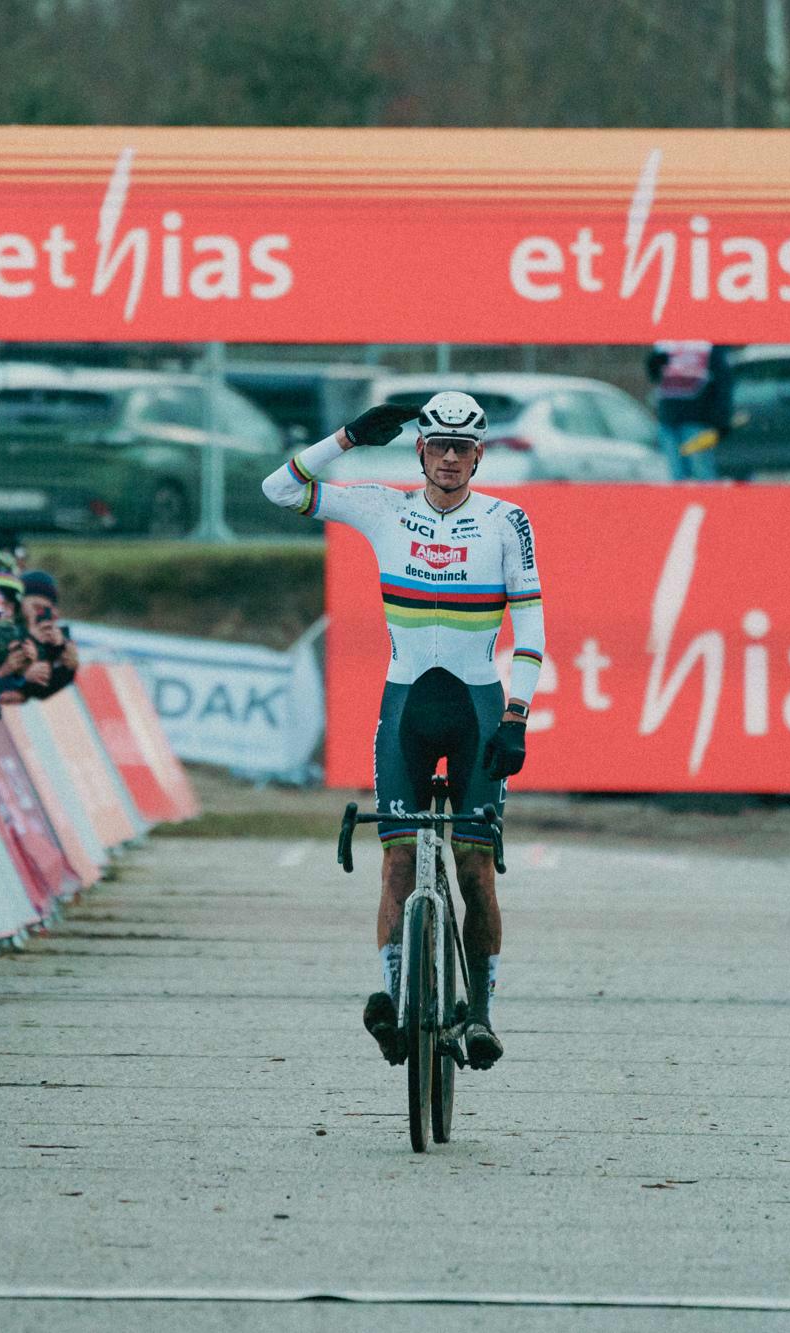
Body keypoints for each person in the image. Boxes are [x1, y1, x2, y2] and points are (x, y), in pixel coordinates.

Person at [261, 392, 544, 1071]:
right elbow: (278, 488)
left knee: (474, 869)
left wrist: (516, 717)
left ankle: (478, 1015)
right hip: (406, 707)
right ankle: (397, 1000)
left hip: (478, 709)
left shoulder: (507, 521)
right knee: (394, 861)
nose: (449, 458)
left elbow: (530, 630)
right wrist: (348, 436)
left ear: (478, 454)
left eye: (462, 448)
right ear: (419, 449)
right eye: (438, 446)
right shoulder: (382, 506)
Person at [645, 341, 732, 481]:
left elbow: (723, 382)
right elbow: (654, 374)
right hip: (668, 419)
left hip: (697, 419)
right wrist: (655, 362)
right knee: (676, 474)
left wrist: (721, 417)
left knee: (702, 473)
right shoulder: (666, 343)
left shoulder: (709, 345)